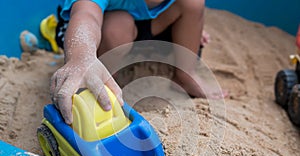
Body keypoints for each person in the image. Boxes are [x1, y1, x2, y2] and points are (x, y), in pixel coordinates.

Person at [50, 0, 219, 125]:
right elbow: (86, 16)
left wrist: (189, 27)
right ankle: (102, 88)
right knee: (117, 29)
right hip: (107, 27)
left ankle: (185, 74)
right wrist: (81, 57)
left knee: (192, 4)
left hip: (149, 24)